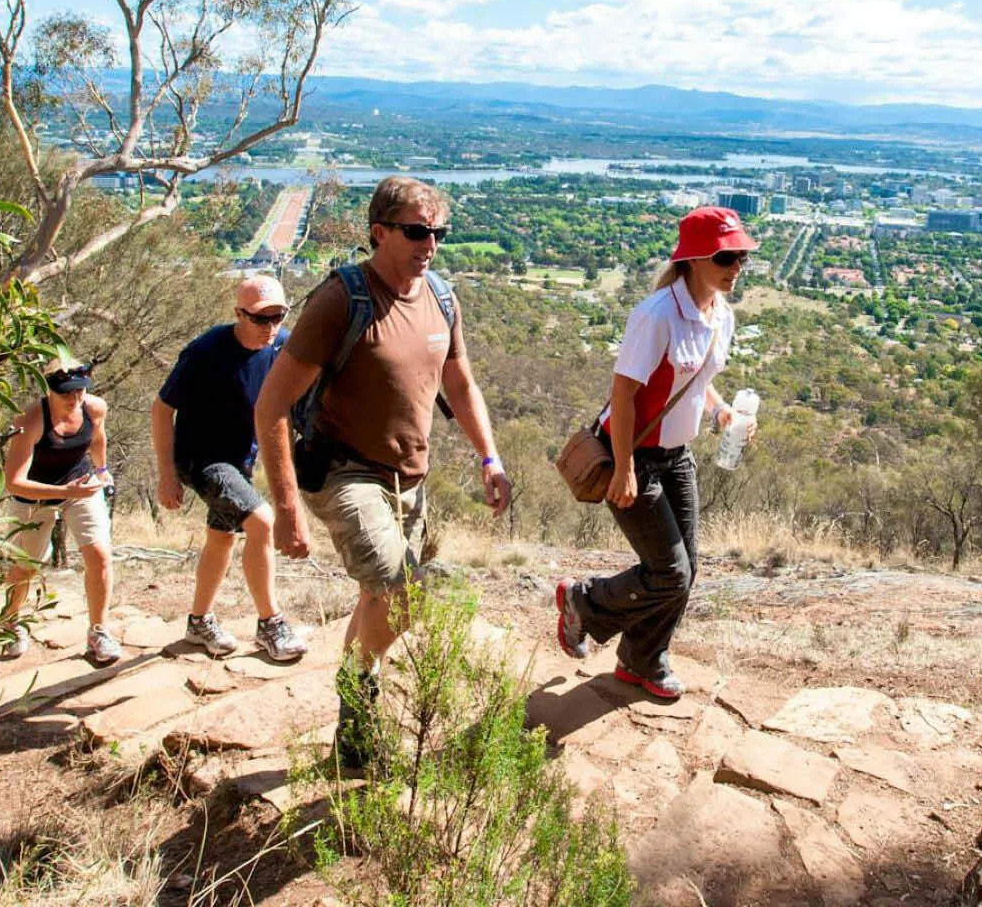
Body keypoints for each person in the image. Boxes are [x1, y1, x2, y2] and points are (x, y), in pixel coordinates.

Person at [254, 176, 512, 767]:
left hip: (409, 477)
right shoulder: (342, 300)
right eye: (417, 231)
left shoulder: (442, 298)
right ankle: (362, 696)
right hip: (343, 472)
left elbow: (459, 381)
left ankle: (354, 725)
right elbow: (269, 406)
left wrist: (489, 458)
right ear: (380, 232)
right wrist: (288, 507)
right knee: (400, 592)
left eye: (438, 233)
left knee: (379, 597)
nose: (431, 244)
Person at [552, 205, 757, 700]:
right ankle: (583, 601)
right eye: (727, 257)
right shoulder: (657, 315)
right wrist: (624, 468)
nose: (736, 268)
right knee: (669, 572)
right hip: (634, 455)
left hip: (676, 455)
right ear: (693, 259)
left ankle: (641, 661)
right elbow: (623, 395)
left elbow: (696, 379)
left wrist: (721, 412)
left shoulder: (719, 315)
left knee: (685, 571)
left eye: (742, 258)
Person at [153, 274, 310, 662]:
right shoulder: (205, 351)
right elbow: (161, 409)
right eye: (260, 319)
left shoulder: (282, 345)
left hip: (239, 461)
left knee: (221, 538)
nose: (270, 327)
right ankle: (270, 624)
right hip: (200, 459)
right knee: (261, 521)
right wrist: (167, 475)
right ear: (239, 313)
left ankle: (198, 621)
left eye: (277, 317)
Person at [0, 352, 118, 664]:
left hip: (80, 486)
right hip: (34, 495)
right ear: (48, 390)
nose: (75, 398)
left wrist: (102, 469)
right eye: (66, 392)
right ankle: (11, 623)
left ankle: (99, 631)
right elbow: (14, 482)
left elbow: (98, 438)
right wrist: (63, 490)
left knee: (100, 555)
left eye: (80, 389)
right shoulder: (30, 420)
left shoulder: (94, 408)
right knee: (27, 567)